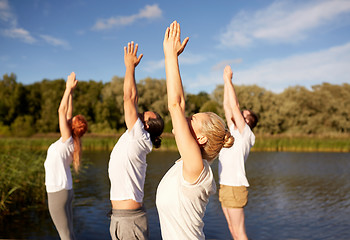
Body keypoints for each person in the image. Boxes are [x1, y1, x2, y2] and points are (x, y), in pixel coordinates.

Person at [156, 21, 234, 240]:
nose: (184, 119)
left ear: (200, 138)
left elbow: (176, 105)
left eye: (191, 119)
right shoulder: (187, 166)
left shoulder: (195, 168)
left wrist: (171, 57)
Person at [108, 41, 164, 240]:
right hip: (121, 217)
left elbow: (129, 98)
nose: (137, 115)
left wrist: (130, 68)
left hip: (128, 219)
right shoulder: (135, 137)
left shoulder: (139, 136)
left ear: (146, 127)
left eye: (142, 117)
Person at [44, 72, 88, 240]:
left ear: (72, 126)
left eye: (72, 120)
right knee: (69, 232)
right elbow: (68, 112)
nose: (69, 119)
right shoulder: (72, 141)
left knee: (65, 234)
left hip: (57, 192)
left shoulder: (67, 140)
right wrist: (71, 92)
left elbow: (61, 111)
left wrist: (67, 88)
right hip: (66, 191)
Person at [218, 65, 258, 240]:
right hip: (225, 186)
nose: (240, 114)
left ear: (248, 121)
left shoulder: (246, 134)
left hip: (235, 187)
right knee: (232, 230)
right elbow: (228, 106)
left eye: (244, 114)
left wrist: (229, 79)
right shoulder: (234, 131)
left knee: (240, 233)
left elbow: (234, 106)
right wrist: (225, 82)